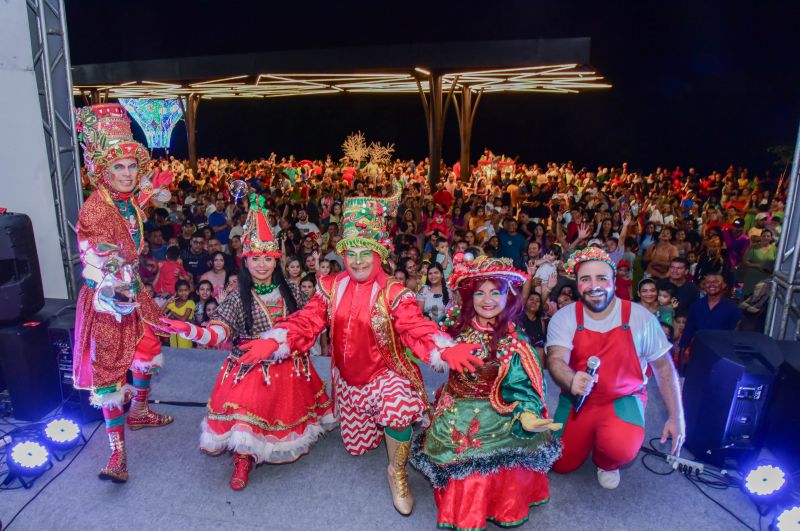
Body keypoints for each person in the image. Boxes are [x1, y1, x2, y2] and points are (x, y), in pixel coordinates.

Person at [237, 183, 483, 515]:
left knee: (399, 406)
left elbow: (414, 327)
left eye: (364, 252)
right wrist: (274, 339)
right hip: (347, 384)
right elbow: (307, 321)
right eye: (350, 253)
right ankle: (369, 422)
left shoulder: (395, 293)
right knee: (358, 447)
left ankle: (397, 472)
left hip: (385, 377)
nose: (356, 260)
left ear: (379, 254)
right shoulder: (330, 286)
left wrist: (443, 348)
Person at [159, 195, 336, 490]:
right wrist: (191, 330)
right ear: (246, 259)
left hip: (289, 366)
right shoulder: (237, 293)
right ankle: (243, 458)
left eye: (268, 258)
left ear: (276, 259)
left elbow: (314, 321)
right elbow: (218, 331)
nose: (263, 265)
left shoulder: (291, 289)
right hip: (250, 365)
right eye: (256, 258)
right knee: (245, 411)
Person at [411, 255, 561, 530]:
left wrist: (527, 414)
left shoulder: (513, 341)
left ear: (508, 295)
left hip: (497, 414)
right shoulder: (454, 326)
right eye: (479, 292)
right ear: (469, 297)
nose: (487, 300)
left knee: (487, 468)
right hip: (454, 410)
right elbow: (423, 342)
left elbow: (523, 386)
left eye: (496, 292)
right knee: (459, 464)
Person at [73, 103, 175, 482]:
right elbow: (102, 256)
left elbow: (137, 201)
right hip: (108, 300)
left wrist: (153, 189)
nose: (128, 174)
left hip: (133, 287)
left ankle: (141, 412)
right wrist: (116, 283)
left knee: (147, 350)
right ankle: (117, 455)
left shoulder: (125, 197)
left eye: (132, 166)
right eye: (118, 167)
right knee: (110, 375)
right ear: (102, 170)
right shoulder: (95, 211)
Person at [546, 248, 684, 489]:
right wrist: (570, 379)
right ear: (577, 284)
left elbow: (663, 368)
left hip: (622, 399)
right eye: (585, 279)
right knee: (560, 463)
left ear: (613, 281)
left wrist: (676, 416)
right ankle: (584, 437)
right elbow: (556, 360)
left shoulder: (640, 318)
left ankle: (606, 461)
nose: (594, 285)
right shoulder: (565, 317)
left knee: (620, 448)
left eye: (602, 278)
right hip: (577, 401)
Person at [677, 271, 742, 370]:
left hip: (720, 357)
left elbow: (733, 337)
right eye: (708, 282)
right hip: (697, 354)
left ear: (724, 285)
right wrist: (682, 357)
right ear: (704, 285)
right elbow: (688, 332)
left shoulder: (732, 309)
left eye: (716, 281)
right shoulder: (696, 306)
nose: (711, 285)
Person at [164, 280, 195, 348]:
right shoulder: (172, 303)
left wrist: (173, 313)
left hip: (185, 336)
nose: (183, 293)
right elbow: (159, 313)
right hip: (173, 335)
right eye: (180, 291)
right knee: (174, 355)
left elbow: (183, 319)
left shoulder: (190, 303)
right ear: (176, 292)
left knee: (185, 355)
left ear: (189, 291)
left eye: (186, 290)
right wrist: (167, 302)